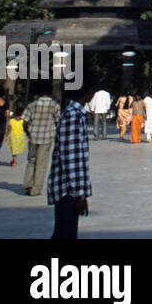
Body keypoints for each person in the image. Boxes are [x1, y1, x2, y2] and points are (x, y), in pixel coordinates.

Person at [47, 71, 97, 239]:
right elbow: (71, 160)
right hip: (66, 191)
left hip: (67, 189)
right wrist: (80, 195)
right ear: (89, 91)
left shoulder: (74, 114)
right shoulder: (73, 117)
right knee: (65, 235)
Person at [22, 85, 60, 196]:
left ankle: (27, 185)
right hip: (46, 137)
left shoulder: (32, 105)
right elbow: (58, 120)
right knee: (41, 164)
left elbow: (25, 121)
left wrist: (28, 132)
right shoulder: (54, 105)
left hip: (33, 136)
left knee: (31, 161)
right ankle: (36, 189)